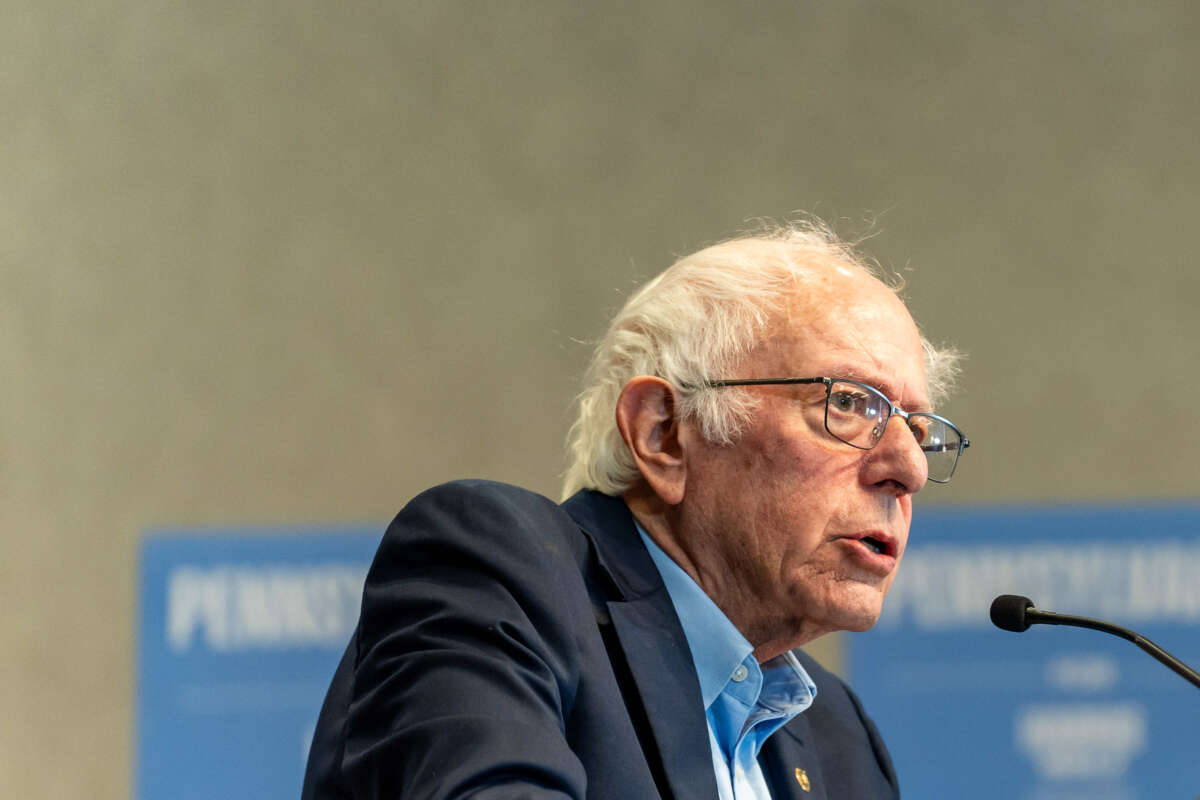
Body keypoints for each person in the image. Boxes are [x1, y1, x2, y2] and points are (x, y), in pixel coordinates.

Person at [302, 221, 967, 799]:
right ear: (664, 434)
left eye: (917, 428)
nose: (907, 467)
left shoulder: (839, 739)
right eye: (848, 403)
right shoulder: (499, 580)